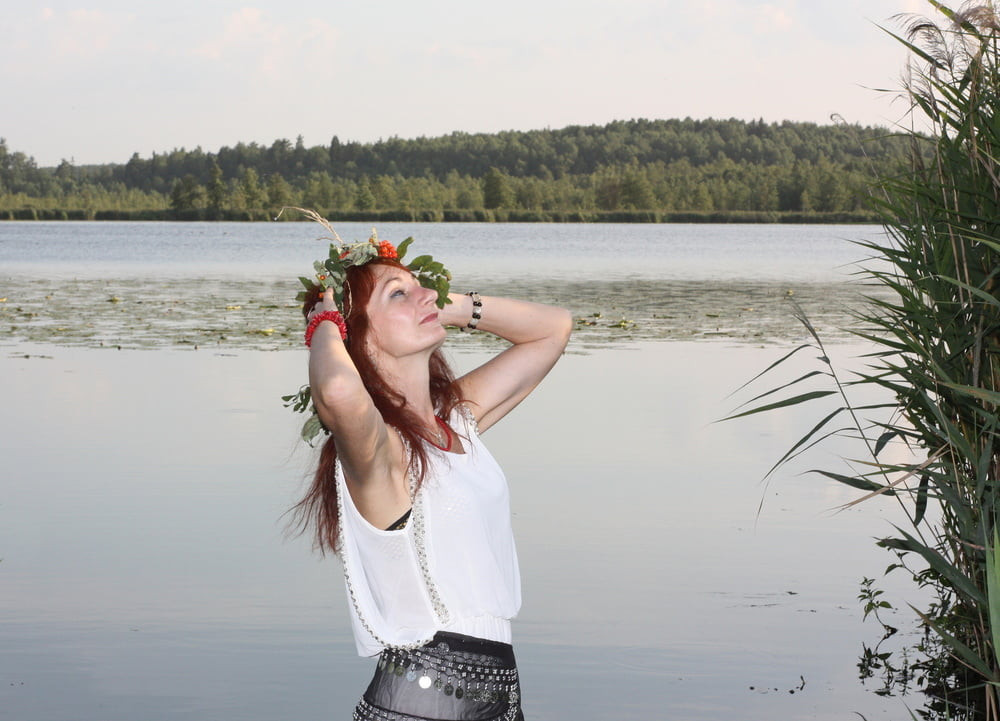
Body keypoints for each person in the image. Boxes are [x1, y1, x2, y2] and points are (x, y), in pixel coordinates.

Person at [288, 222, 572, 721]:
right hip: (426, 697)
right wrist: (325, 322)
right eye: (398, 294)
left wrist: (452, 306)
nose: (424, 294)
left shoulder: (456, 423)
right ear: (360, 334)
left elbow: (553, 329)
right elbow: (337, 395)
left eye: (421, 286)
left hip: (499, 693)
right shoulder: (382, 452)